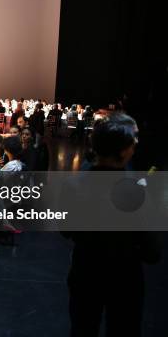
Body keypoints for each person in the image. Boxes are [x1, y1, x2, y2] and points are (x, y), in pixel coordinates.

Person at [64, 113, 161, 337]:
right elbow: (152, 252)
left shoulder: (72, 184)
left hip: (85, 270)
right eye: (133, 139)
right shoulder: (138, 191)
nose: (136, 144)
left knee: (82, 329)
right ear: (124, 150)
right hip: (125, 278)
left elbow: (65, 230)